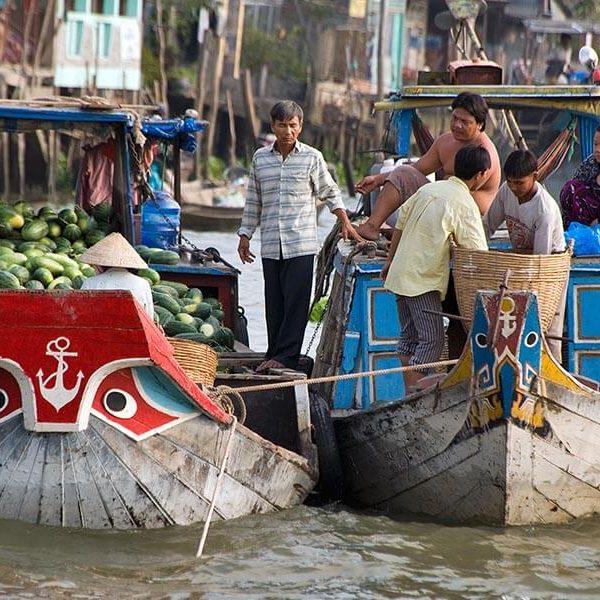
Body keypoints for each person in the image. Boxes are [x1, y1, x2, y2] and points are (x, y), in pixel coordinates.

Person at [237, 100, 362, 373]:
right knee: (274, 303)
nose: (287, 131)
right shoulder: (261, 159)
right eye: (282, 125)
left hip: (301, 243)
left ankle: (286, 357)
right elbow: (253, 202)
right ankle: (274, 352)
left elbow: (331, 192)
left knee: (296, 303)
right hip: (271, 244)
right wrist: (245, 235)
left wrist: (344, 222)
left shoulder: (312, 158)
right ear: (273, 126)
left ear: (300, 127)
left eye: (292, 125)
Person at [382, 145, 490, 391]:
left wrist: (390, 260)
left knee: (409, 339)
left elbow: (400, 224)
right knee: (432, 340)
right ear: (481, 175)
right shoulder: (464, 203)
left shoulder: (428, 189)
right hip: (422, 280)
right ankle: (416, 394)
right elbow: (477, 252)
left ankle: (409, 395)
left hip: (401, 274)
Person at [355, 92, 501, 241]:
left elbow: (459, 192)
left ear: (480, 124)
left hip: (470, 221)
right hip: (441, 205)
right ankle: (372, 227)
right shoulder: (445, 142)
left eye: (465, 122)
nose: (457, 125)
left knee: (438, 192)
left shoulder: (485, 154)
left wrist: (446, 179)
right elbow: (417, 169)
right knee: (403, 172)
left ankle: (404, 234)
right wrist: (377, 179)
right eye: (455, 118)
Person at [485, 150, 566, 360]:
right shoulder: (505, 191)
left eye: (519, 183)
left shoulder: (545, 209)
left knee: (548, 330)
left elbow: (540, 259)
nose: (514, 187)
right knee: (513, 330)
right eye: (510, 181)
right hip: (520, 266)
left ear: (535, 177)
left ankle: (548, 383)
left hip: (549, 268)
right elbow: (487, 226)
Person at [80, 232, 155, 319]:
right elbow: (149, 321)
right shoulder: (142, 284)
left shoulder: (89, 283)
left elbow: (81, 317)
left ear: (99, 265)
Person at [559, 126, 600, 228]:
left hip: (596, 223)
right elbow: (572, 189)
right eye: (596, 144)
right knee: (571, 189)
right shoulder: (590, 163)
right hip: (583, 222)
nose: (598, 149)